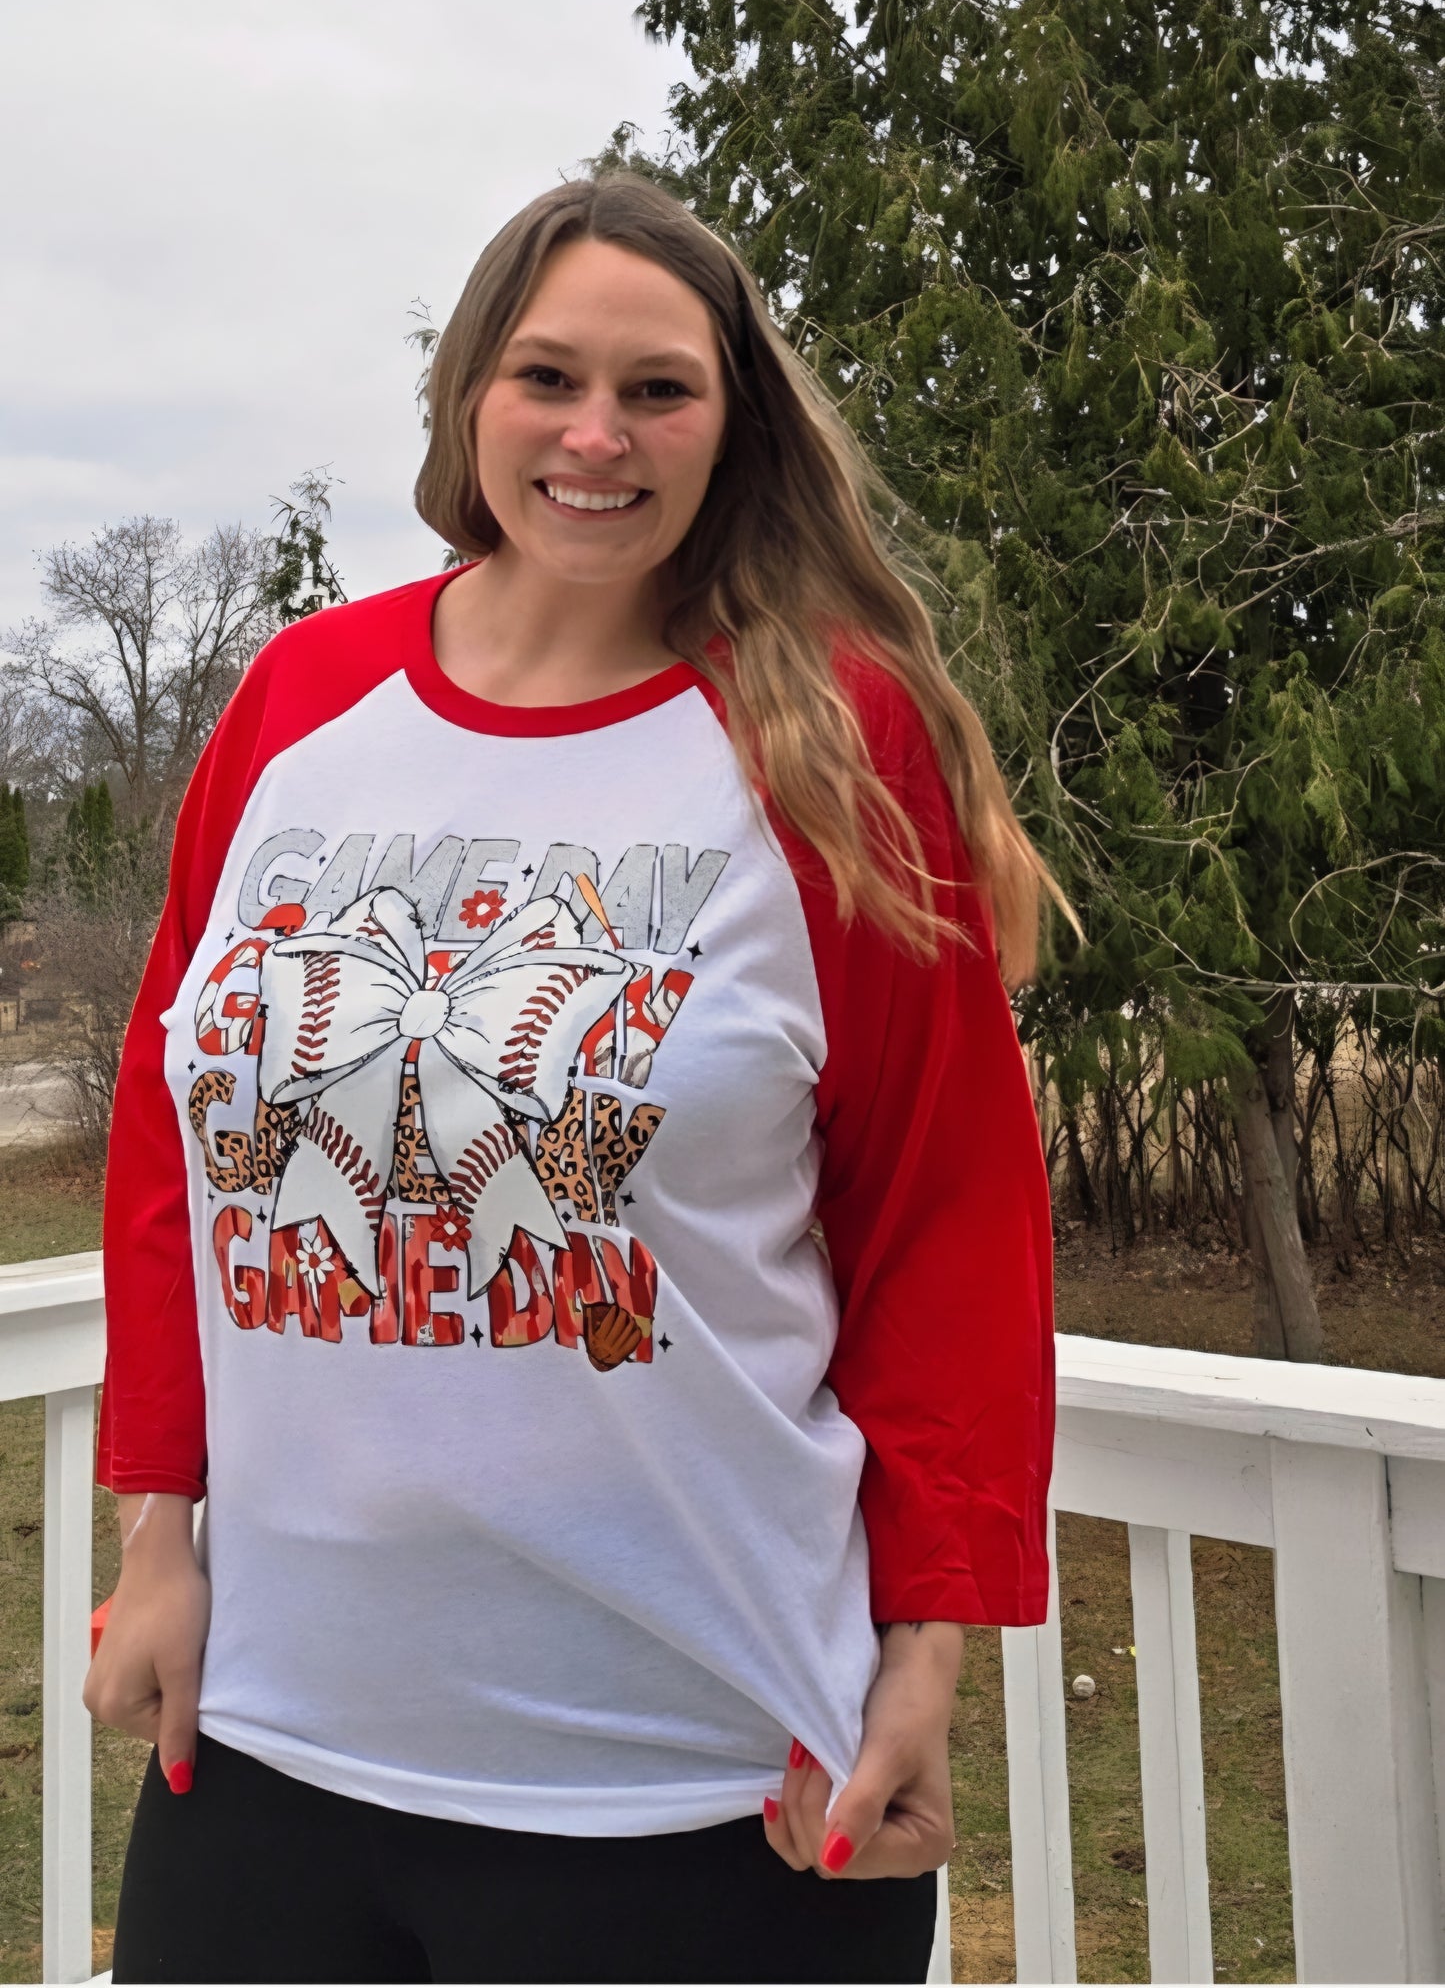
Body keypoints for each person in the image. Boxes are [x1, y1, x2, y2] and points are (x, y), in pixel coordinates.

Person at [88, 175, 1061, 1986]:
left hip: (693, 1783)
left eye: (658, 389)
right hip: (274, 1744)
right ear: (472, 400)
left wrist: (924, 1652)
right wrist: (161, 1538)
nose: (595, 435)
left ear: (729, 421)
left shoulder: (823, 738)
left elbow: (949, 1219)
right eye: (547, 376)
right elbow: (173, 1139)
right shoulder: (300, 703)